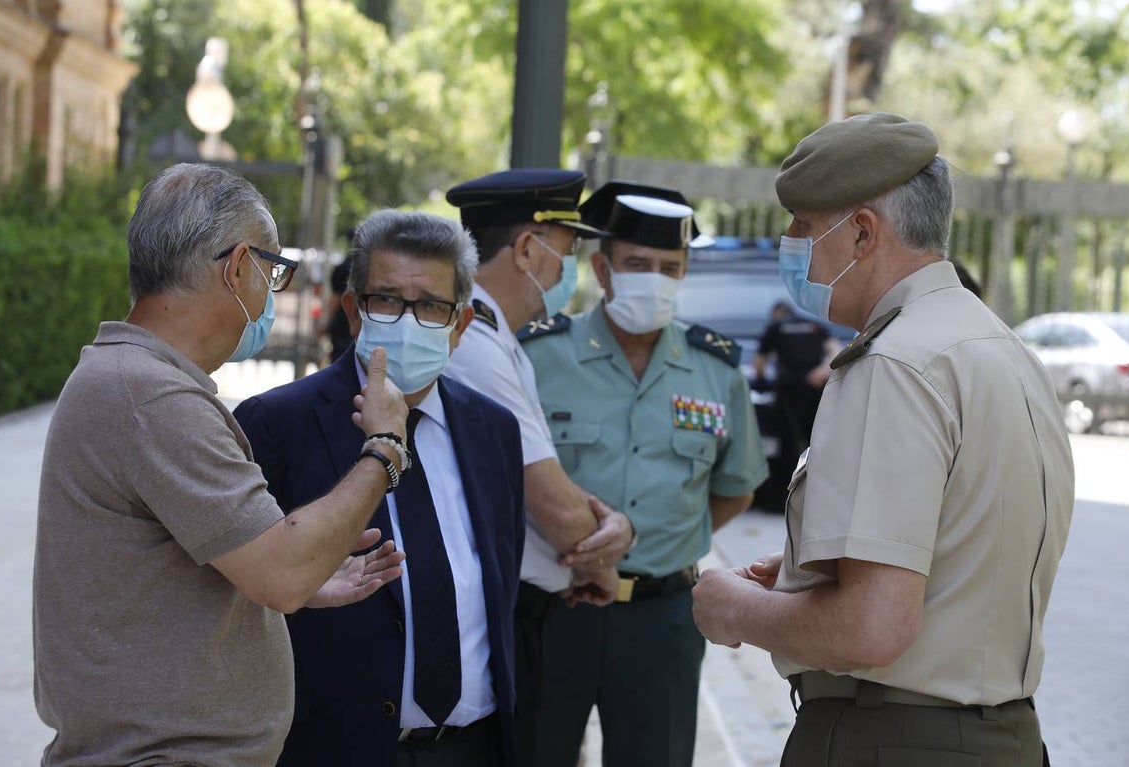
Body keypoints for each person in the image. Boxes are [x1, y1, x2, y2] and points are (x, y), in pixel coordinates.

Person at [692, 112, 1074, 766]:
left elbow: (872, 628)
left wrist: (735, 609)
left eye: (803, 226)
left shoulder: (894, 364)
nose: (791, 244)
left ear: (863, 232)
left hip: (890, 739)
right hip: (1005, 736)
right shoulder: (1005, 350)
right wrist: (806, 575)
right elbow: (961, 560)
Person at [32, 163, 409, 767]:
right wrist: (385, 446)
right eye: (272, 271)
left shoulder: (131, 380)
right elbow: (283, 574)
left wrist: (289, 578)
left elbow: (219, 569)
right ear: (237, 268)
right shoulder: (151, 397)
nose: (270, 296)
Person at [234, 209, 524, 766]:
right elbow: (241, 598)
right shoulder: (277, 424)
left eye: (432, 306)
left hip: (473, 747)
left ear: (460, 325)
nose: (409, 321)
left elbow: (501, 588)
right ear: (353, 310)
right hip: (332, 751)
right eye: (387, 300)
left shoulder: (494, 430)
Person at [519, 181, 767, 767]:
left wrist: (662, 539)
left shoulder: (716, 370)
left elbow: (735, 488)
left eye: (668, 267)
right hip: (553, 609)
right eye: (636, 265)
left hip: (662, 617)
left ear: (683, 273)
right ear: (602, 269)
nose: (653, 279)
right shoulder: (538, 355)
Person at [442, 168, 638, 763]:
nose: (566, 273)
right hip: (504, 611)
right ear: (527, 250)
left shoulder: (494, 338)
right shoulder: (474, 345)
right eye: (567, 252)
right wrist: (606, 553)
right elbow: (557, 510)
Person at [753, 300, 840, 455]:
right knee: (813, 431)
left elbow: (759, 361)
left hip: (788, 388)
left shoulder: (775, 327)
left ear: (775, 314)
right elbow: (835, 350)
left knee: (789, 436)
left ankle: (791, 466)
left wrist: (762, 382)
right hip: (814, 385)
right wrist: (821, 372)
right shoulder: (814, 325)